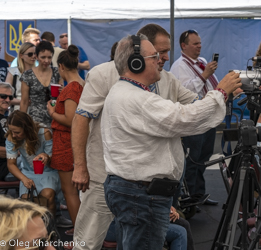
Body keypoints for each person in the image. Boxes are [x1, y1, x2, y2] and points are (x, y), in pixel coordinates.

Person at [101, 34, 240, 249]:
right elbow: (184, 118)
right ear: (135, 63)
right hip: (141, 194)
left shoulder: (128, 92)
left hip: (138, 192)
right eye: (155, 56)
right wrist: (220, 93)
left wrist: (221, 97)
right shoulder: (137, 98)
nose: (160, 60)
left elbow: (189, 109)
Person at [71, 24, 199, 250]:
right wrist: (80, 166)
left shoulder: (167, 80)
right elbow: (81, 118)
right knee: (87, 241)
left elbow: (195, 108)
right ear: (140, 53)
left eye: (168, 52)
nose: (166, 58)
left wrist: (222, 95)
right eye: (160, 52)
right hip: (104, 176)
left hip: (151, 187)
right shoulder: (103, 74)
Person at [170, 29, 220, 206]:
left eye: (199, 43)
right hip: (194, 119)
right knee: (192, 159)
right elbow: (185, 92)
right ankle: (191, 198)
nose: (199, 46)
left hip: (207, 116)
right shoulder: (178, 66)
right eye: (195, 43)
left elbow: (209, 83)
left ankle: (199, 194)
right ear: (184, 46)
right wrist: (204, 74)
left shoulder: (202, 62)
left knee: (203, 157)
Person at [46, 45, 84, 236]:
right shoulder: (82, 84)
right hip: (77, 143)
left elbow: (70, 120)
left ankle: (80, 234)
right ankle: (82, 230)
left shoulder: (71, 89)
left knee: (69, 192)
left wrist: (52, 112)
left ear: (61, 67)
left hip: (66, 143)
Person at [6, 111, 59, 216]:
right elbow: (11, 164)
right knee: (26, 202)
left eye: (17, 132)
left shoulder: (44, 133)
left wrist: (46, 156)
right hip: (28, 173)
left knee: (47, 196)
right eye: (11, 131)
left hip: (47, 172)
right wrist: (24, 178)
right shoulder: (11, 137)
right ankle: (33, 228)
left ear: (27, 129)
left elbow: (55, 160)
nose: (13, 135)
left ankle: (50, 224)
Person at [20, 40, 63, 127]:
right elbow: (24, 102)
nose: (46, 60)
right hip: (35, 122)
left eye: (49, 57)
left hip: (55, 119)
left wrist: (63, 91)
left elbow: (62, 98)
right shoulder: (27, 75)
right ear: (36, 56)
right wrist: (21, 123)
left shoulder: (57, 72)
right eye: (43, 57)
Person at [6, 42, 36, 112]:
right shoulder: (13, 72)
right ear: (21, 55)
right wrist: (23, 102)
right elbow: (6, 96)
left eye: (35, 54)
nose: (33, 56)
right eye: (30, 54)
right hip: (17, 111)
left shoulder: (39, 72)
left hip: (36, 113)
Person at [0, 83, 13, 181]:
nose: (8, 100)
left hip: (12, 163)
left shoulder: (9, 118)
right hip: (4, 167)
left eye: (10, 97)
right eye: (3, 96)